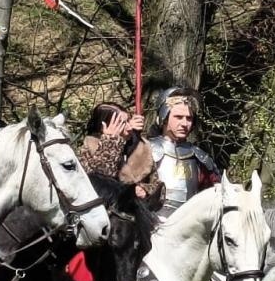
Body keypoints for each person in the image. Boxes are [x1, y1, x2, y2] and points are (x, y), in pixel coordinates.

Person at [146, 87, 219, 217]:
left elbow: (215, 193)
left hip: (190, 224)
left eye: (189, 118)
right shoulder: (147, 150)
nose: (185, 123)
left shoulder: (199, 157)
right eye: (178, 117)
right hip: (152, 222)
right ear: (164, 118)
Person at [80, 102, 164, 208]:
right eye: (122, 123)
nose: (129, 127)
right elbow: (99, 184)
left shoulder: (142, 147)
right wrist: (111, 142)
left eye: (128, 121)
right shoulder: (88, 150)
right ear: (104, 127)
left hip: (140, 215)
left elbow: (158, 188)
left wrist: (145, 190)